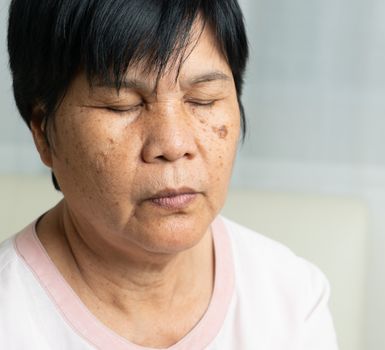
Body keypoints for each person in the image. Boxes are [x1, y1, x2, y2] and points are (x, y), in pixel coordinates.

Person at [0, 0, 339, 349]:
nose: (174, 144)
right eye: (123, 105)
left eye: (203, 99)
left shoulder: (290, 299)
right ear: (43, 131)